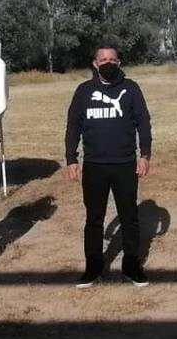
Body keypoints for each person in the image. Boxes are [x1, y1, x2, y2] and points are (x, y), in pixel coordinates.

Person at [65, 46, 152, 288]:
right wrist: (71, 158)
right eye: (103, 59)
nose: (108, 63)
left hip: (125, 164)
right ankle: (93, 266)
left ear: (119, 62)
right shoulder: (83, 91)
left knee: (129, 217)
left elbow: (144, 122)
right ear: (95, 63)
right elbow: (73, 126)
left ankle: (131, 264)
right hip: (94, 165)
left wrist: (145, 154)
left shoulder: (131, 88)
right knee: (94, 219)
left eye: (112, 59)